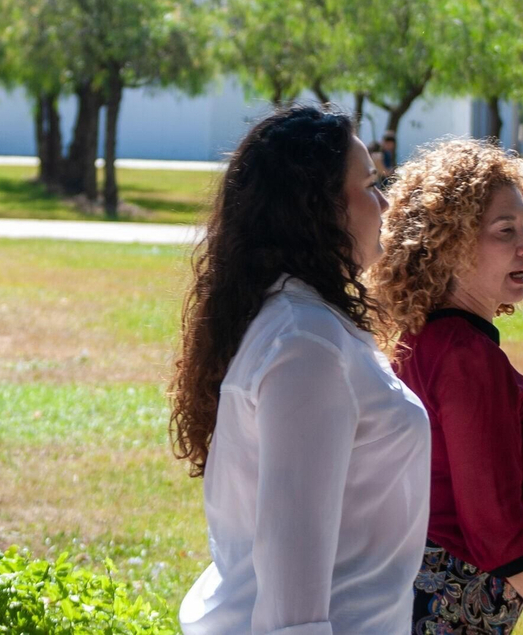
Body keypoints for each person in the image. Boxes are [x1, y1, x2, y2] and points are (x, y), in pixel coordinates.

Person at [170, 104, 432, 635]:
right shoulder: (306, 347)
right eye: (370, 185)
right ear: (319, 208)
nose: (384, 202)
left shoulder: (308, 325)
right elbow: (292, 597)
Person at [368, 139, 523, 634]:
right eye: (506, 230)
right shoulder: (467, 356)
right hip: (449, 609)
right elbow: (496, 527)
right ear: (448, 243)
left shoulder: (419, 339)